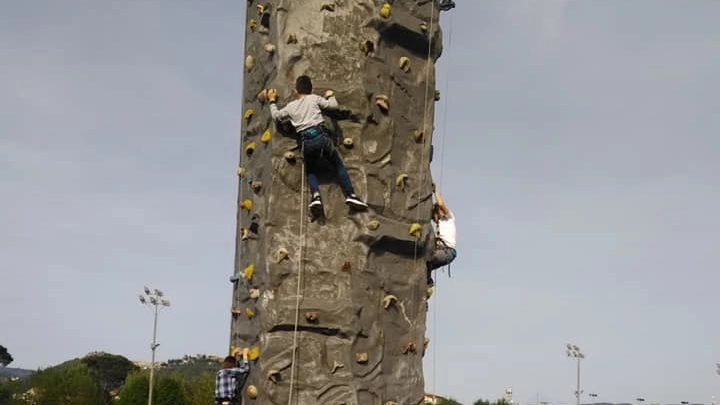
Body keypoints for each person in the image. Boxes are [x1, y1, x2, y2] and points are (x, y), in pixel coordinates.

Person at [267, 75, 368, 215]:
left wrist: (272, 101)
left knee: (311, 170)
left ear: (296, 91)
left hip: (306, 141)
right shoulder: (314, 98)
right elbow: (334, 106)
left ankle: (316, 196)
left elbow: (276, 116)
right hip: (321, 137)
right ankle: (351, 195)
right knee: (338, 165)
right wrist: (330, 96)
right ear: (311, 89)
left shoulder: (291, 106)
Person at [426, 188, 457, 286]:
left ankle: (428, 280)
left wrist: (434, 191)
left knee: (427, 257)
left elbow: (440, 204)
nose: (433, 220)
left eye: (433, 217)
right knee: (424, 266)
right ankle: (428, 282)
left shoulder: (448, 217)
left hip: (447, 252)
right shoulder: (439, 225)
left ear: (438, 212)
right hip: (442, 250)